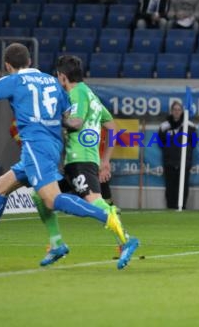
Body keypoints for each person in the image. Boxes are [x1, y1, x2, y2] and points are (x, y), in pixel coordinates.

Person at [0, 44, 138, 269]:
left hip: (36, 147)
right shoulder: (52, 82)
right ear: (30, 61)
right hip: (49, 146)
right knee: (1, 187)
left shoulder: (14, 81)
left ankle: (107, 218)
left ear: (8, 65)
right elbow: (68, 118)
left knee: (51, 199)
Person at [32, 55, 137, 267]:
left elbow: (77, 122)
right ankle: (56, 243)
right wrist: (105, 159)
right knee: (39, 194)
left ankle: (126, 239)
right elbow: (112, 127)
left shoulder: (78, 92)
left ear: (62, 77)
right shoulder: (92, 95)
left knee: (95, 203)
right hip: (79, 161)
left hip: (79, 159)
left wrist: (53, 120)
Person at [158, 101, 196, 210]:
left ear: (182, 111)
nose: (177, 112)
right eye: (174, 109)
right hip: (169, 162)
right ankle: (170, 207)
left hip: (184, 163)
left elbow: (193, 143)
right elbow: (161, 143)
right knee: (170, 187)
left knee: (183, 187)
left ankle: (182, 207)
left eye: (179, 110)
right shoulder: (164, 126)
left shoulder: (189, 126)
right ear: (171, 111)